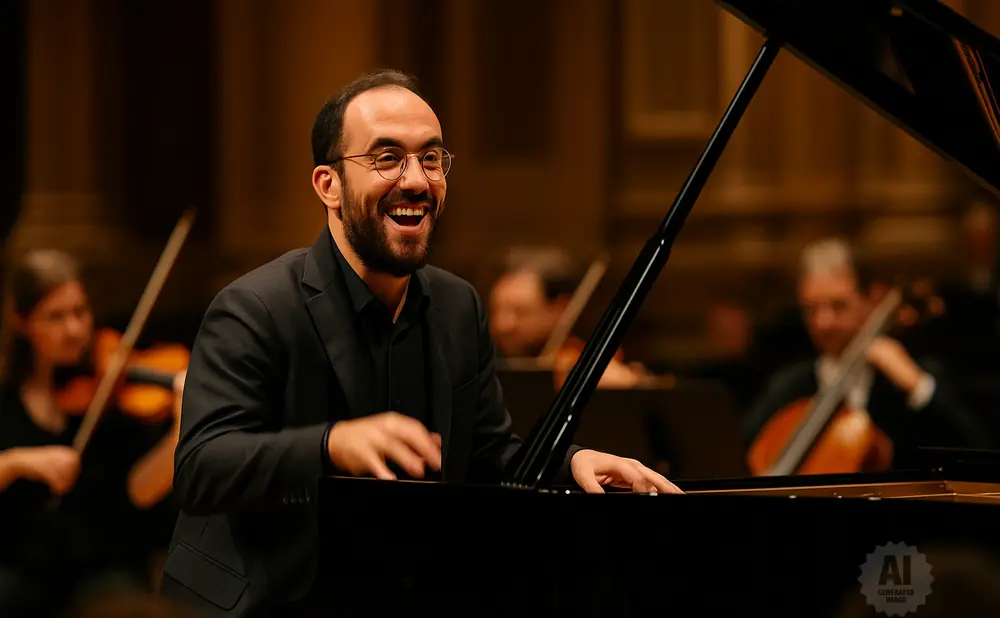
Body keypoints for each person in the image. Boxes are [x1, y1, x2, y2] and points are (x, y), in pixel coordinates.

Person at [161, 69, 681, 618]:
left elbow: (485, 452)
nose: (416, 180)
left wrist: (571, 461)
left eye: (430, 159)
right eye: (387, 158)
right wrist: (331, 445)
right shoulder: (255, 307)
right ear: (328, 185)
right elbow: (201, 468)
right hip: (262, 600)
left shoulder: (458, 307)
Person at [0, 249, 185, 618]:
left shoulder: (115, 397)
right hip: (20, 569)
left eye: (80, 313)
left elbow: (137, 492)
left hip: (103, 568)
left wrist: (181, 432)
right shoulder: (5, 399)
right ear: (21, 321)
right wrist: (19, 462)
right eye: (55, 317)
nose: (74, 329)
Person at [741, 238, 989, 469]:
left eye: (838, 306)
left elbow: (976, 455)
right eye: (811, 309)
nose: (822, 323)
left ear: (873, 298)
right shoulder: (788, 387)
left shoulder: (912, 380)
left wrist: (917, 385)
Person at [488, 246, 652, 387]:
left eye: (521, 312)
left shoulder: (575, 364)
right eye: (496, 310)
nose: (502, 325)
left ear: (561, 310)